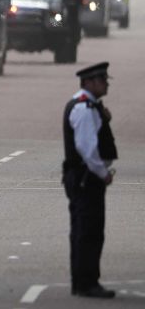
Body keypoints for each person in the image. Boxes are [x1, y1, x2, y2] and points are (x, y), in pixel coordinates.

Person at [63, 62, 118, 298]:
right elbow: (87, 148)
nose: (105, 84)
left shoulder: (90, 106)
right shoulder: (84, 108)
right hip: (87, 178)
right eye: (101, 80)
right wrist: (103, 173)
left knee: (86, 230)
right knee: (89, 231)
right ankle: (86, 282)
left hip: (85, 177)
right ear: (88, 83)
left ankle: (82, 280)